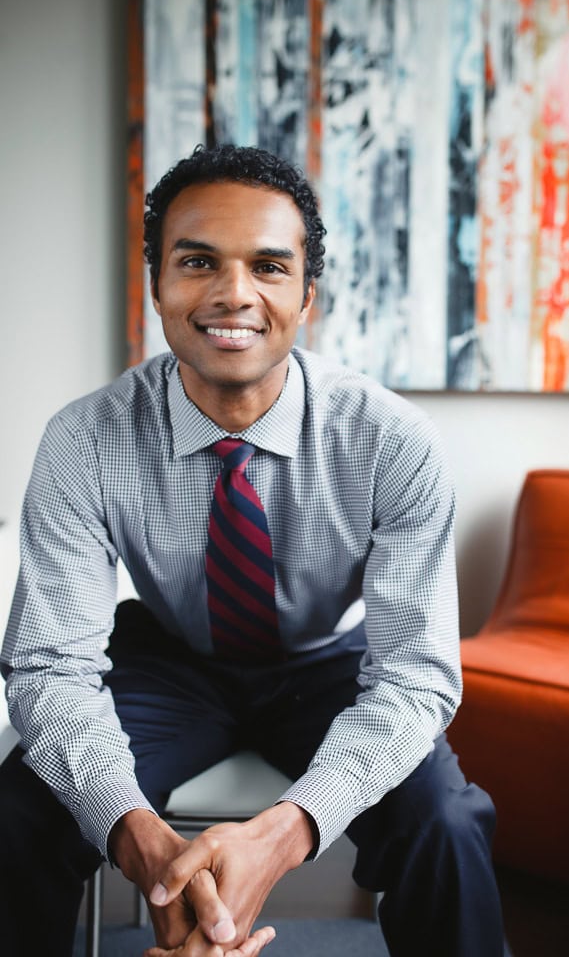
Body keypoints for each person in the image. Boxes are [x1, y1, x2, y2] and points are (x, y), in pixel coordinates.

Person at [0, 144, 505, 957]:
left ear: (305, 295)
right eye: (198, 261)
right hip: (168, 661)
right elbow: (49, 666)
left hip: (326, 665)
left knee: (446, 825)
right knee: (16, 815)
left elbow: (415, 677)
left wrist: (282, 834)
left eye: (268, 267)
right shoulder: (84, 439)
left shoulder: (392, 441)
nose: (233, 293)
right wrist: (143, 844)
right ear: (157, 284)